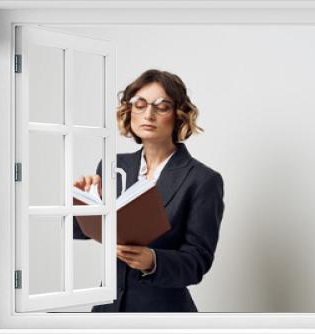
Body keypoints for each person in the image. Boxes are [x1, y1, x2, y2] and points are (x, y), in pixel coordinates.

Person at [72, 69, 225, 312]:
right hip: (107, 311)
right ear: (129, 111)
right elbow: (81, 231)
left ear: (178, 114)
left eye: (161, 106)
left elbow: (197, 262)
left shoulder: (203, 180)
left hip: (164, 314)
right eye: (140, 105)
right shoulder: (114, 166)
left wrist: (152, 261)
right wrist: (84, 199)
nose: (148, 114)